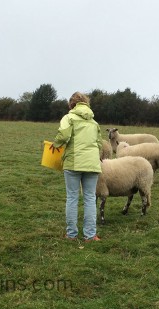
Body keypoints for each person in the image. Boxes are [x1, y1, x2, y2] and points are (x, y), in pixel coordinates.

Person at [50, 92, 102, 242]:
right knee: (90, 198)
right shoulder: (94, 122)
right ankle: (90, 235)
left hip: (73, 163)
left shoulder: (69, 117)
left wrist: (56, 144)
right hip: (92, 164)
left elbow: (64, 135)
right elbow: (99, 144)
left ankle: (71, 234)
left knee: (72, 197)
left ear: (71, 104)